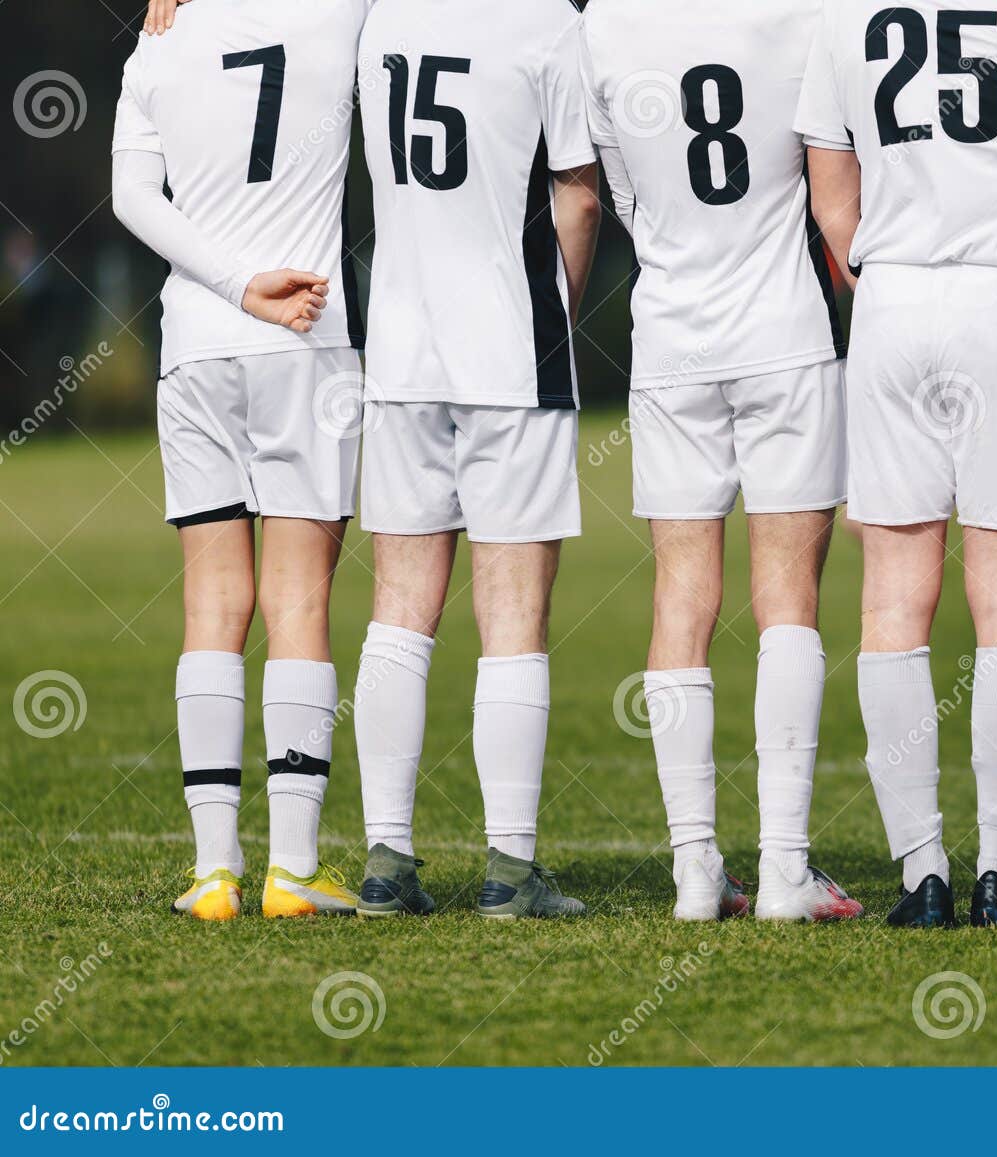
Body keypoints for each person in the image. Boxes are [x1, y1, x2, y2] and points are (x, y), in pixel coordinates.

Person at [799, 0, 997, 927]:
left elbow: (830, 197)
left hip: (895, 303)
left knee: (891, 600)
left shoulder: (841, 15)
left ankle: (923, 874)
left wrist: (886, 271)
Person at [581, 0, 863, 923]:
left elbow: (617, 195)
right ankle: (784, 867)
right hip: (784, 336)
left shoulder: (606, 27)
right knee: (789, 600)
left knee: (681, 596)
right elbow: (834, 180)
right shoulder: (804, 16)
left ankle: (695, 870)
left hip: (671, 341)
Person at [114, 0, 373, 920]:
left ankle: (214, 871)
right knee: (299, 601)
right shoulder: (340, 14)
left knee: (211, 604)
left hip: (197, 342)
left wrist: (230, 285)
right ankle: (294, 870)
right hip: (307, 333)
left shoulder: (161, 37)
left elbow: (132, 199)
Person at [348, 0, 602, 920]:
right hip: (513, 355)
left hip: (402, 355)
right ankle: (509, 868)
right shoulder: (545, 22)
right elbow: (578, 191)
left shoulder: (377, 19)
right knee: (514, 616)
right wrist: (555, 319)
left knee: (398, 613)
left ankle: (386, 860)